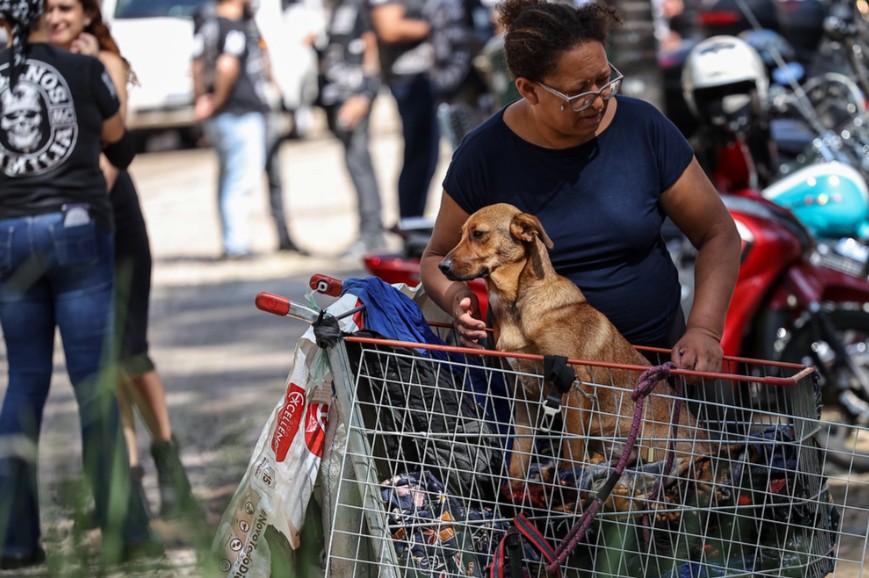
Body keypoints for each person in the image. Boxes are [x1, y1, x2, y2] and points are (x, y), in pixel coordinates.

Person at [419, 0, 741, 374]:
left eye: (605, 80)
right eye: (578, 92)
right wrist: (456, 297)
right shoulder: (484, 155)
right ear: (528, 89)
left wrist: (703, 329)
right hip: (544, 389)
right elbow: (435, 257)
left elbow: (718, 232)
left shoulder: (643, 129)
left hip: (657, 371)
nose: (599, 99)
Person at [0, 0, 163, 569]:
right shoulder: (84, 68)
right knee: (94, 383)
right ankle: (126, 529)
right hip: (77, 231)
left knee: (23, 382)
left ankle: (14, 539)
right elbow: (121, 144)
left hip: (9, 236)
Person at [45, 0, 199, 520]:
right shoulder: (39, 66)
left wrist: (76, 212)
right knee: (103, 359)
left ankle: (168, 462)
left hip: (111, 219)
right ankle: (126, 485)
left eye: (67, 7)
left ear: (89, 14)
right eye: (48, 8)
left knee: (131, 349)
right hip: (73, 224)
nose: (57, 16)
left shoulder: (103, 64)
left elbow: (112, 156)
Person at [192, 0, 270, 260]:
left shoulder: (207, 24)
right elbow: (227, 65)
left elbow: (197, 63)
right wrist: (216, 101)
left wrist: (202, 98)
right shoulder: (233, 27)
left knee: (228, 180)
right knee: (240, 181)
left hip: (222, 117)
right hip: (239, 113)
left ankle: (232, 241)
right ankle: (236, 244)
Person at [318, 0, 388, 256]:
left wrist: (364, 95)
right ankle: (367, 232)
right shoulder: (334, 9)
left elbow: (372, 50)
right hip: (338, 97)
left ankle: (372, 235)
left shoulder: (358, 7)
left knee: (360, 164)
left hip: (355, 97)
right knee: (352, 163)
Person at [368, 0, 440, 220]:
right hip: (408, 81)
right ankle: (409, 225)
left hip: (429, 79)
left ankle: (414, 223)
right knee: (418, 157)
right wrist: (437, 26)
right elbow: (389, 28)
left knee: (430, 157)